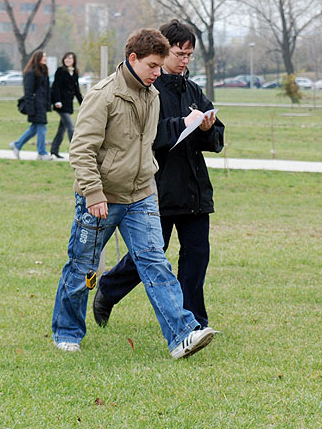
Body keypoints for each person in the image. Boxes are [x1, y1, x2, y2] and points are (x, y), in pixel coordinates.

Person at [51, 28, 216, 359]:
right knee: (82, 266)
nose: (157, 72)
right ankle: (67, 332)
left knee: (155, 263)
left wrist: (149, 186)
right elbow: (81, 150)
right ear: (133, 59)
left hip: (141, 195)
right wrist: (94, 193)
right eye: (152, 65)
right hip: (101, 196)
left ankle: (182, 335)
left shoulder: (151, 95)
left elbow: (147, 146)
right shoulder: (104, 95)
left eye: (159, 66)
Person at [93, 19, 224, 329]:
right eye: (179, 53)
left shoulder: (193, 90)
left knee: (196, 258)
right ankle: (109, 289)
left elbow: (216, 139)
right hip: (157, 188)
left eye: (189, 54)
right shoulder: (148, 92)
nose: (185, 60)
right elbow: (144, 136)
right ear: (163, 52)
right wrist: (181, 124)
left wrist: (207, 128)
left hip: (194, 190)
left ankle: (195, 322)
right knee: (150, 254)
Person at [9, 50, 53, 161]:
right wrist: (30, 109)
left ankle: (17, 145)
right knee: (42, 128)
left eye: (45, 56)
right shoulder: (31, 73)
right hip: (35, 105)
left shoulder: (44, 71)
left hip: (42, 105)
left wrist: (48, 104)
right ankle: (42, 153)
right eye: (43, 57)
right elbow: (28, 92)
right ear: (37, 58)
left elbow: (47, 90)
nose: (45, 58)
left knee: (34, 129)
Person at [49, 51, 84, 159]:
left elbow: (76, 90)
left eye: (70, 58)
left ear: (74, 60)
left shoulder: (75, 72)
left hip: (68, 104)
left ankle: (54, 150)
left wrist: (83, 103)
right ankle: (76, 152)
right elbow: (56, 87)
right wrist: (57, 101)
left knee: (61, 129)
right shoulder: (60, 71)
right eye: (66, 58)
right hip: (60, 104)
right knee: (70, 127)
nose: (67, 60)